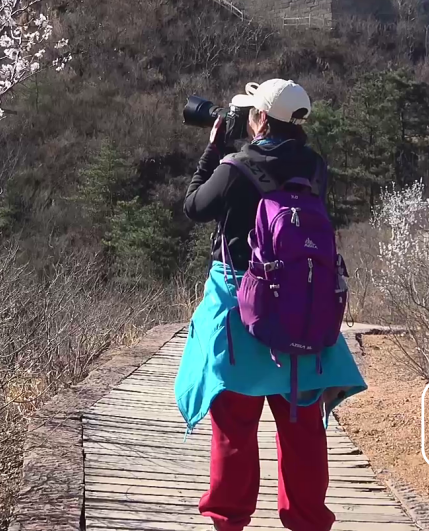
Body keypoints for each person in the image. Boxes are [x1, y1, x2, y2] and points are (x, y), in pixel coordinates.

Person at [175, 79, 366, 531]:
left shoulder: (235, 167)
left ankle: (228, 520)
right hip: (302, 308)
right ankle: (307, 521)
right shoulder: (316, 168)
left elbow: (194, 207)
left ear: (259, 117)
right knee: (303, 430)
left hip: (241, 309)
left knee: (235, 428)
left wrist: (213, 151)